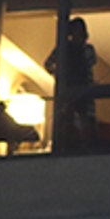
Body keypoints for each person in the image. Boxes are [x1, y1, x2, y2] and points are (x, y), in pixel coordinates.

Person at [45, 16, 98, 148]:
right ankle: (68, 144)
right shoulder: (62, 48)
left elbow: (91, 61)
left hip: (84, 89)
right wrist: (59, 75)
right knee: (67, 119)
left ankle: (87, 145)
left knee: (86, 120)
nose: (77, 33)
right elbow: (48, 64)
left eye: (80, 30)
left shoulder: (88, 49)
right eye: (75, 30)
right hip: (68, 90)